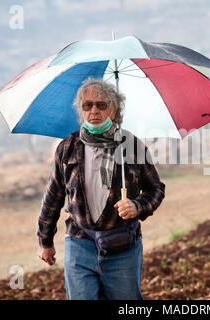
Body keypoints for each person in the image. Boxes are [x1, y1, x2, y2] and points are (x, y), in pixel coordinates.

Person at [37, 78, 166, 300]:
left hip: (122, 247)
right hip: (79, 242)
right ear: (81, 110)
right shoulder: (67, 147)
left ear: (114, 109)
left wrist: (137, 206)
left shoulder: (132, 146)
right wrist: (45, 241)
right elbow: (53, 197)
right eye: (88, 105)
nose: (94, 110)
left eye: (101, 104)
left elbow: (156, 189)